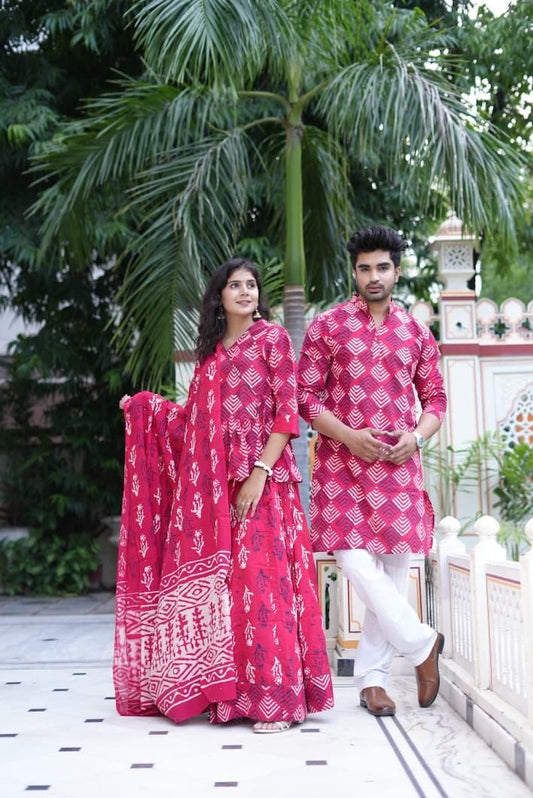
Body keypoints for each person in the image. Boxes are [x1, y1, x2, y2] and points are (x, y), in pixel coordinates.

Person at [114, 257, 334, 734]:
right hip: (217, 493)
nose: (245, 291)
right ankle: (233, 700)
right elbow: (190, 425)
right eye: (235, 285)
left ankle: (277, 700)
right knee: (231, 594)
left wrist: (258, 473)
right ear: (219, 297)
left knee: (264, 587)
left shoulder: (272, 339)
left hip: (265, 485)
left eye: (251, 284)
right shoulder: (210, 358)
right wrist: (146, 409)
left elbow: (286, 415)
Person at [297, 225, 447, 717]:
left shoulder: (416, 332)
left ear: (396, 272)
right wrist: (348, 435)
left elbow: (436, 400)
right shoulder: (328, 327)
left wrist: (416, 437)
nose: (374, 276)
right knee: (357, 564)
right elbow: (305, 398)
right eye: (365, 268)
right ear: (355, 273)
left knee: (393, 574)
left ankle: (373, 682)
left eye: (382, 267)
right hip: (341, 465)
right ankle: (423, 643)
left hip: (398, 467)